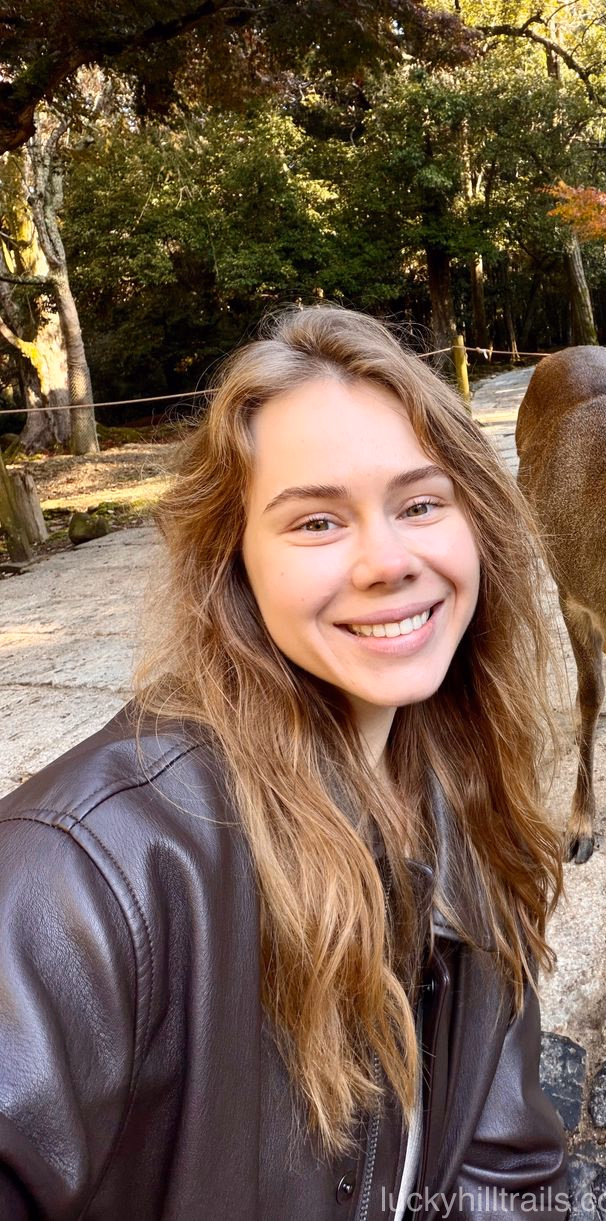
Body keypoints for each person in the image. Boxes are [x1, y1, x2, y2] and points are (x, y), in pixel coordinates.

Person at [0, 305, 569, 1219]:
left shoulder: (459, 784)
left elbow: (503, 1163)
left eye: (421, 503)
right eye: (315, 522)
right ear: (234, 562)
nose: (388, 559)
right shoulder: (85, 876)